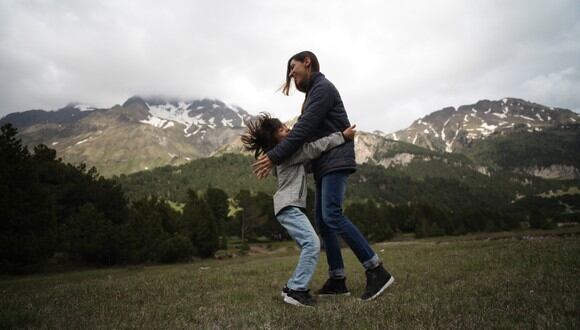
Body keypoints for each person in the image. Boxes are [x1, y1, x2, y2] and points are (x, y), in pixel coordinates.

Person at [252, 51, 394, 301]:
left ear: (307, 62)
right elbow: (303, 140)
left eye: (293, 70)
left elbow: (303, 134)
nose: (292, 76)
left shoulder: (323, 89)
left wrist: (275, 156)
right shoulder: (311, 96)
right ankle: (338, 279)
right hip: (324, 163)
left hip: (335, 157)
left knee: (332, 215)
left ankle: (376, 270)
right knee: (322, 221)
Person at [241, 112, 356, 307]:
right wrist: (342, 137)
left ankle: (291, 287)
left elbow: (306, 163)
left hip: (287, 207)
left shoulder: (284, 156)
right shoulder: (287, 153)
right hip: (288, 207)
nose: (288, 130)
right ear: (274, 139)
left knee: (309, 243)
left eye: (285, 127)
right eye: (282, 130)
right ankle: (296, 290)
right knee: (312, 243)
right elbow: (313, 149)